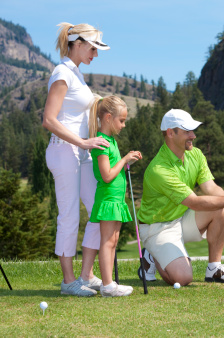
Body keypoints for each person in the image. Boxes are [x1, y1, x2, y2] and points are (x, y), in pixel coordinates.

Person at [137, 109, 224, 286]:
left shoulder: (195, 154)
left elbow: (210, 187)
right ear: (170, 133)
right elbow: (195, 202)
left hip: (181, 219)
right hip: (157, 228)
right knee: (183, 278)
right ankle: (152, 254)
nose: (193, 135)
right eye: (187, 131)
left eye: (193, 130)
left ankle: (214, 269)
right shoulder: (159, 169)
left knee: (219, 206)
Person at [43, 22, 111, 296]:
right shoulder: (62, 73)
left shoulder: (76, 74)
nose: (95, 54)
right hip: (64, 152)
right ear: (79, 43)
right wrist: (83, 141)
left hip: (79, 155)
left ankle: (86, 274)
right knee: (69, 216)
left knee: (97, 209)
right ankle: (68, 281)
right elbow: (49, 119)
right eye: (93, 48)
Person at [88, 95, 142, 297]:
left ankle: (109, 283)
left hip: (116, 200)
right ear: (109, 118)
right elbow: (107, 175)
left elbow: (114, 169)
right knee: (107, 242)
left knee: (113, 240)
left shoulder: (111, 141)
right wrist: (125, 158)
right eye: (121, 120)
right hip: (108, 198)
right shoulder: (102, 143)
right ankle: (108, 285)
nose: (124, 125)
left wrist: (128, 161)